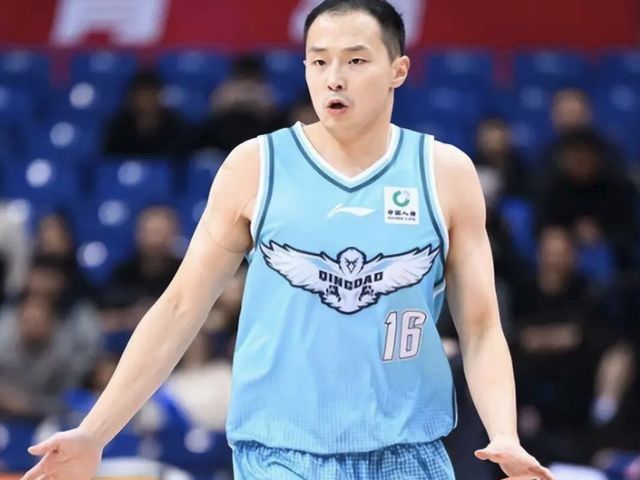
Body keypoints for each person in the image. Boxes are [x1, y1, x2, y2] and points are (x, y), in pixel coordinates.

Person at [22, 1, 554, 479]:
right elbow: (181, 307)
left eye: (356, 60)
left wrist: (504, 434)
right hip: (280, 454)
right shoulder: (255, 165)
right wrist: (95, 432)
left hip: (408, 451)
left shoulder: (444, 172)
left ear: (398, 70)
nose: (334, 78)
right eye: (319, 61)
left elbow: (480, 327)